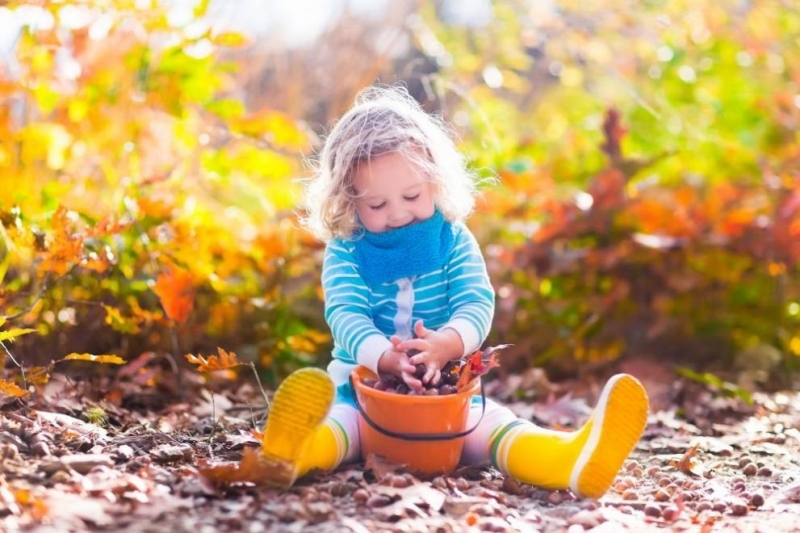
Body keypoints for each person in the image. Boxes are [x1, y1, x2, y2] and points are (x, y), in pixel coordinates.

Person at [260, 85, 649, 498]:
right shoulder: (348, 250)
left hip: (446, 395)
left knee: (490, 427)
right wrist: (385, 357)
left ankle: (569, 459)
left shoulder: (452, 240)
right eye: (376, 205)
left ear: (435, 181)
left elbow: (475, 300)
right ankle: (292, 454)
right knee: (341, 427)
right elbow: (345, 315)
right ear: (348, 200)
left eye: (411, 195)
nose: (397, 213)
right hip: (365, 392)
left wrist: (448, 343)